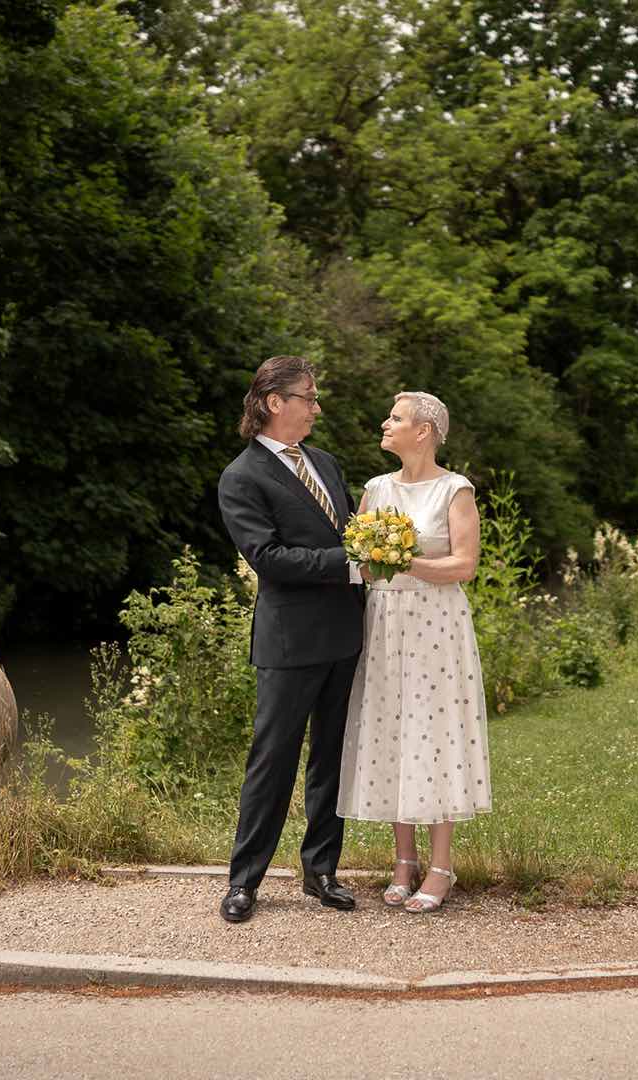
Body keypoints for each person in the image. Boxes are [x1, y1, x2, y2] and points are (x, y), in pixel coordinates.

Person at [215, 355, 365, 923]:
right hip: (288, 641)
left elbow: (350, 529)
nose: (316, 407)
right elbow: (268, 558)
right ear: (275, 402)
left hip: (345, 634)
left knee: (330, 757)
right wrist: (351, 563)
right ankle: (244, 881)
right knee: (272, 760)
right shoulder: (242, 476)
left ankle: (322, 871)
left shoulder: (325, 462)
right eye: (308, 397)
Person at [336, 391, 491, 913]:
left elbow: (464, 565)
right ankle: (403, 860)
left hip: (436, 624)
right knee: (392, 729)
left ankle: (442, 865)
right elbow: (356, 557)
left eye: (396, 418)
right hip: (384, 621)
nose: (386, 423)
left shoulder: (456, 489)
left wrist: (406, 563)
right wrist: (375, 562)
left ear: (423, 431)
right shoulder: (376, 489)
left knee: (434, 729)